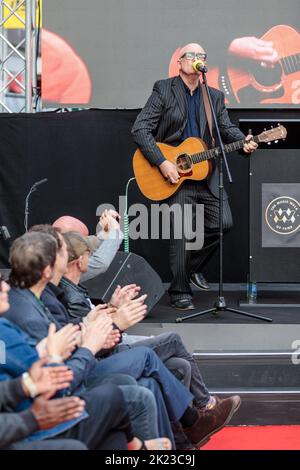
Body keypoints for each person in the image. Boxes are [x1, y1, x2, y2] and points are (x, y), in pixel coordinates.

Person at [132, 42, 258, 311]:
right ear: (179, 62)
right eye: (191, 55)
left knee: (223, 224)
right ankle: (179, 291)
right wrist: (163, 162)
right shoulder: (164, 89)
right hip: (175, 177)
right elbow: (140, 129)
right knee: (181, 232)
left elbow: (226, 129)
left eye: (201, 56)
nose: (197, 59)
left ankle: (187, 270)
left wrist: (244, 141)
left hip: (208, 173)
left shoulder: (213, 96)